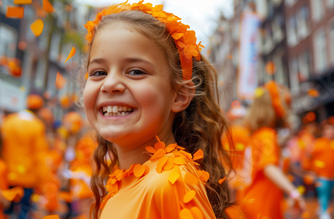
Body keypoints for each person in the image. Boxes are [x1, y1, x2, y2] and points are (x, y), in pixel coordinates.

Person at [81, 1, 233, 218]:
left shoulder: (169, 182)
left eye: (135, 71)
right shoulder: (125, 182)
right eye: (98, 72)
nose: (109, 84)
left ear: (179, 95)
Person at [239, 81, 306, 219]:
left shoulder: (259, 134)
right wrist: (294, 193)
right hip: (262, 205)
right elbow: (268, 167)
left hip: (254, 201)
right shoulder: (267, 135)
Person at [1, 94, 49, 219]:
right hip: (28, 177)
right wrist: (42, 183)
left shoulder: (9, 121)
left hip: (8, 174)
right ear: (39, 109)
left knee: (6, 209)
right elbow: (40, 156)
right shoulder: (37, 126)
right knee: (23, 211)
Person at [310, 116, 334, 219]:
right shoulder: (319, 143)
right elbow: (310, 157)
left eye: (333, 129)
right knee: (323, 194)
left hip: (332, 175)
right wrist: (313, 171)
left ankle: (322, 208)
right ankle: (324, 212)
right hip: (321, 175)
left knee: (328, 194)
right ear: (323, 131)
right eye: (328, 129)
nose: (331, 131)